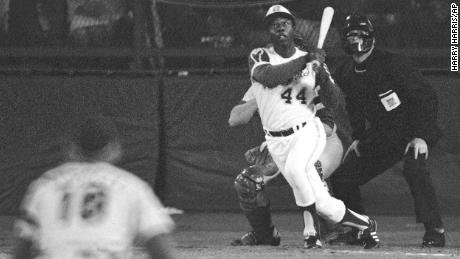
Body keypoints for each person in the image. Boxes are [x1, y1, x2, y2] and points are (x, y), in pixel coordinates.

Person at [228, 5, 379, 249]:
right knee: (316, 199)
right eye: (275, 24)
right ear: (269, 33)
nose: (283, 32)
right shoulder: (263, 60)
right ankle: (363, 223)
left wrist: (322, 74)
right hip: (279, 142)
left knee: (304, 171)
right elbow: (237, 116)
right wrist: (266, 97)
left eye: (286, 25)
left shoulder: (311, 69)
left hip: (319, 138)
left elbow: (331, 116)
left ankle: (314, 232)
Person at [329, 14, 445, 248]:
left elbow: (426, 98)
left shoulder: (393, 63)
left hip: (412, 130)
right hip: (383, 135)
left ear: (371, 38)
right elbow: (353, 105)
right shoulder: (344, 70)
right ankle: (358, 229)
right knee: (343, 177)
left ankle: (435, 230)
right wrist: (359, 137)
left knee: (415, 170)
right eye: (351, 35)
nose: (355, 40)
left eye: (360, 35)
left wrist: (421, 135)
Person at [13, 115, 176, 259]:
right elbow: (160, 247)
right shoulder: (131, 186)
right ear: (114, 149)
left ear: (71, 149)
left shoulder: (45, 185)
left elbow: (21, 250)